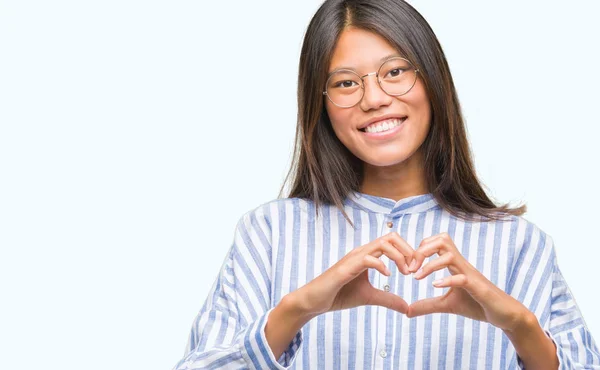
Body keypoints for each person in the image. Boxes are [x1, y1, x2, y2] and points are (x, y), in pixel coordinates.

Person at [172, 0, 600, 369]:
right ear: (319, 105)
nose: (373, 98)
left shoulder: (520, 245)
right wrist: (296, 309)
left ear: (433, 81)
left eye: (394, 72)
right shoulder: (266, 235)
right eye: (345, 82)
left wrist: (520, 326)